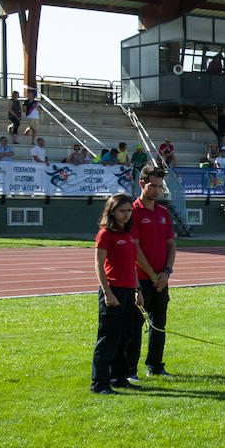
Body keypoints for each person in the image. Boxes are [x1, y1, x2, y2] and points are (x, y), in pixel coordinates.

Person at [92, 193, 158, 394]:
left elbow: (131, 266)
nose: (127, 214)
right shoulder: (105, 234)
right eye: (122, 211)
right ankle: (99, 383)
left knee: (125, 337)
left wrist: (137, 290)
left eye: (129, 210)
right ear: (112, 212)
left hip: (130, 291)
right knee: (108, 339)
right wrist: (108, 292)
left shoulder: (128, 235)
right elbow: (99, 265)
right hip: (113, 291)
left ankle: (119, 378)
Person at [124, 165, 177, 378]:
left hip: (162, 278)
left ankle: (155, 366)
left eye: (159, 186)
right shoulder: (132, 211)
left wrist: (166, 272)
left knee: (159, 325)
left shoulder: (163, 212)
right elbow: (134, 248)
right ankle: (129, 370)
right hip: (141, 279)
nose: (156, 190)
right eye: (152, 186)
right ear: (141, 184)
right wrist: (153, 276)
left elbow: (171, 245)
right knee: (135, 326)